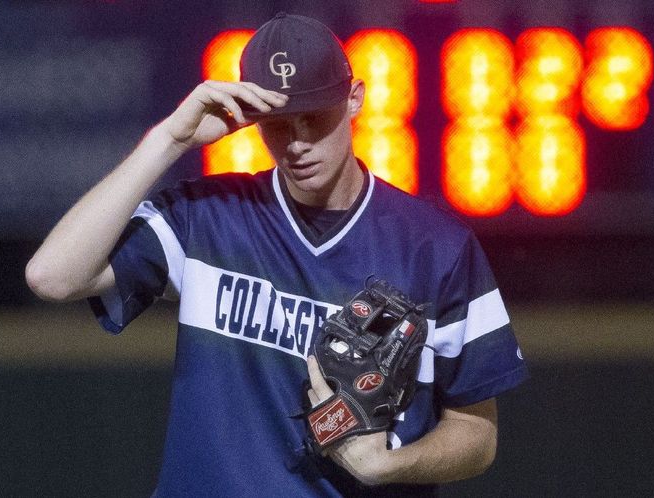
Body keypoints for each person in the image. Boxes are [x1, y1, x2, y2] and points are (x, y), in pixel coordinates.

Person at [26, 12, 528, 497]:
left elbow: (477, 436)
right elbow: (53, 277)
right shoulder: (209, 216)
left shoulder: (435, 247)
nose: (298, 143)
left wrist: (389, 465)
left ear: (354, 100)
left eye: (316, 117)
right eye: (280, 123)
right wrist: (169, 140)